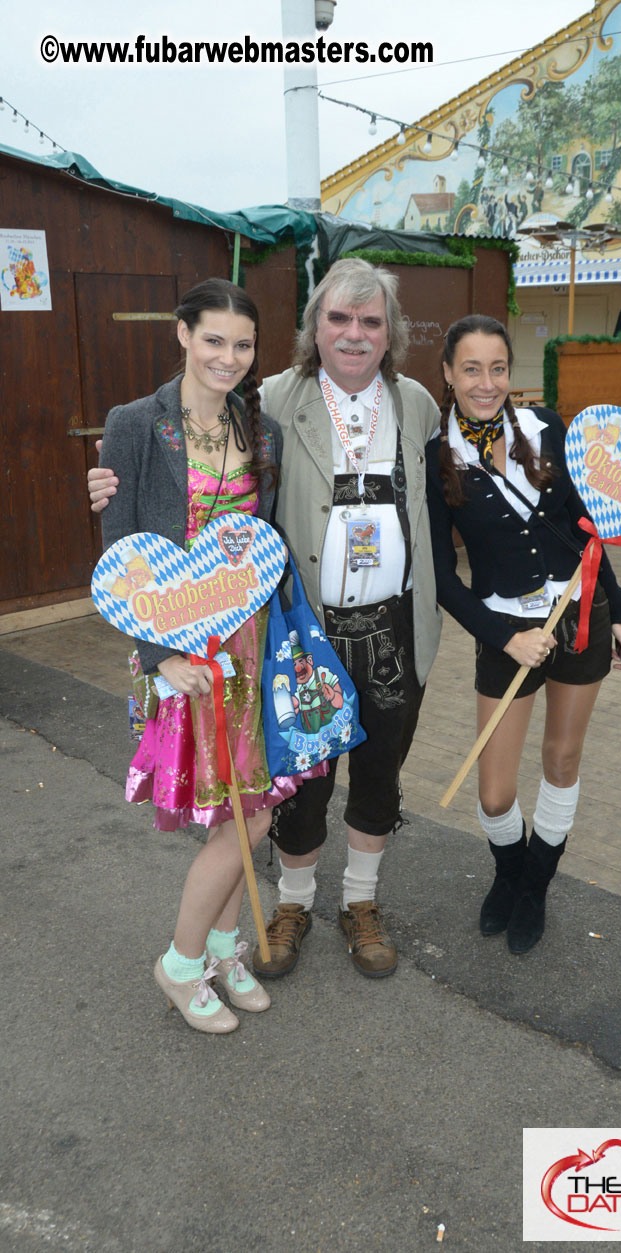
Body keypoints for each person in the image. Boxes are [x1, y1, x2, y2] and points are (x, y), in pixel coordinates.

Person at [90, 259, 442, 981]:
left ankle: (349, 906)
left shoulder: (412, 405)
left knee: (369, 777)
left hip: (374, 631)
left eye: (370, 321)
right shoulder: (271, 401)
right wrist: (106, 488)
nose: (353, 334)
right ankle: (286, 906)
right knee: (285, 788)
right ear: (314, 327)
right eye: (338, 319)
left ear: (390, 333)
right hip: (283, 631)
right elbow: (133, 535)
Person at [98, 278, 327, 1034]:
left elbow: (267, 548)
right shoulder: (135, 425)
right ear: (181, 335)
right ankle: (182, 961)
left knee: (250, 807)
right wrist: (158, 656)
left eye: (243, 344)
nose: (228, 357)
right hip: (178, 645)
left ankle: (224, 949)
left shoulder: (261, 432)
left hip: (251, 644)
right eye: (214, 340)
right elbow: (123, 553)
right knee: (242, 815)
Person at [425, 315, 621, 954]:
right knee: (493, 792)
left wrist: (618, 608)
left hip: (581, 616)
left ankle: (535, 886)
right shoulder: (436, 456)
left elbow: (588, 526)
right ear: (448, 375)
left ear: (509, 372)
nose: (486, 383)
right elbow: (439, 575)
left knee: (561, 759)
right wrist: (502, 635)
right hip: (507, 629)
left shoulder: (548, 428)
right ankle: (510, 869)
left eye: (497, 368)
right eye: (471, 369)